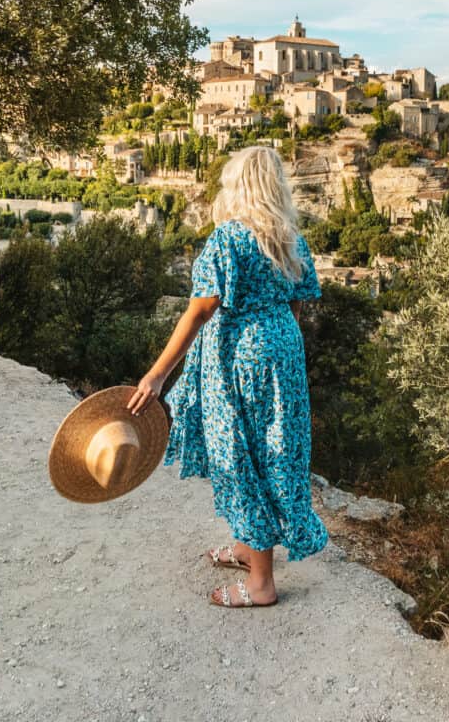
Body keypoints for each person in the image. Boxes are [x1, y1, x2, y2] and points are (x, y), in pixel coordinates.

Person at [126, 145, 328, 608]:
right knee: (274, 451)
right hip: (282, 352)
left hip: (237, 358)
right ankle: (246, 548)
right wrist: (279, 349)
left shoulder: (228, 239)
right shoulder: (291, 240)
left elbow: (199, 312)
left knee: (240, 454)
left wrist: (157, 376)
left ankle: (261, 584)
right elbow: (296, 304)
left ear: (240, 187)